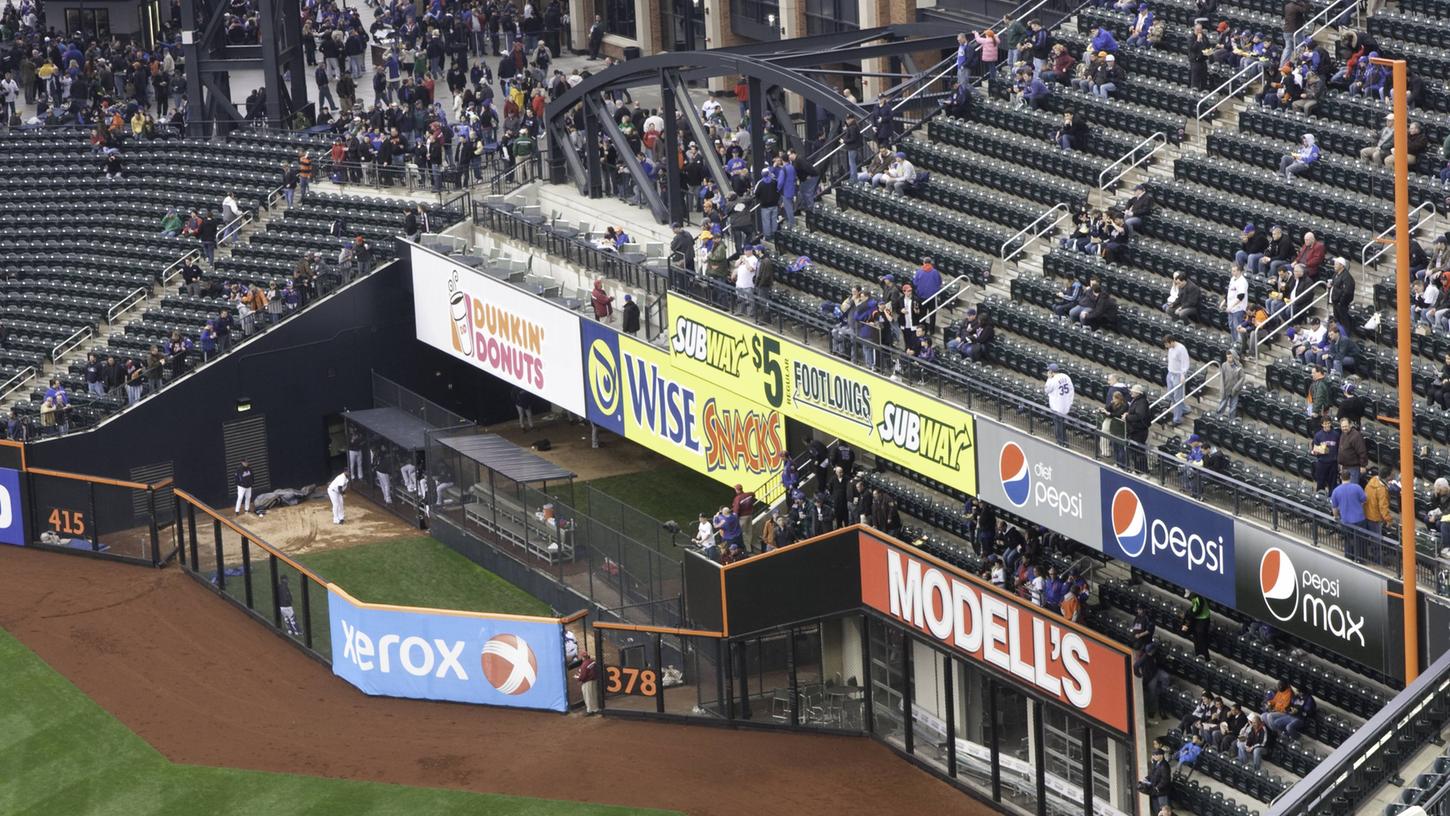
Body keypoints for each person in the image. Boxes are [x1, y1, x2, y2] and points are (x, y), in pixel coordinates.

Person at [1331, 469, 1369, 562]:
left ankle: (1349, 558)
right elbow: (1364, 500)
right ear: (1350, 477)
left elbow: (1334, 508)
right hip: (1359, 519)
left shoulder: (1336, 491)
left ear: (1340, 477)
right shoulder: (1357, 487)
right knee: (1361, 541)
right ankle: (1361, 560)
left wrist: (1336, 516)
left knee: (1348, 541)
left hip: (1346, 521)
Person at [1045, 363, 1075, 446]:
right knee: (1062, 425)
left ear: (1051, 372)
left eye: (1049, 371)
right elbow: (1072, 389)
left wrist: (1049, 378)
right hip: (1065, 405)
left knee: (1058, 426)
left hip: (1057, 407)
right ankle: (1065, 442)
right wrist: (1070, 402)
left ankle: (1061, 443)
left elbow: (1046, 390)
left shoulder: (1052, 380)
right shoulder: (1066, 376)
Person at [1164, 335, 1190, 425]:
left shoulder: (1181, 349)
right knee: (1170, 395)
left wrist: (1183, 374)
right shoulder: (1170, 349)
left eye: (1167, 344)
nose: (1166, 347)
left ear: (1171, 341)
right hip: (1170, 373)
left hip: (1178, 375)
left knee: (1177, 398)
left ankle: (1177, 419)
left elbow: (1185, 362)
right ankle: (1185, 409)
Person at [1127, 383, 1150, 471]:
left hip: (1139, 431)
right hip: (1135, 430)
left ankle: (1142, 470)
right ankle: (1137, 469)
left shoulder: (1142, 402)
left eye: (1133, 392)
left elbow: (1139, 416)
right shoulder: (1137, 401)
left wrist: (1127, 417)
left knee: (1139, 452)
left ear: (1138, 393)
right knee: (1135, 451)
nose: (1131, 393)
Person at [1181, 591, 1211, 660]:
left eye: (1189, 596)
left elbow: (1194, 613)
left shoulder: (1198, 598)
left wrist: (1186, 624)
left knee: (1201, 640)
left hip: (1203, 619)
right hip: (1198, 619)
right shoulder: (1194, 597)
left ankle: (1206, 658)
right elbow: (1193, 610)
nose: (1189, 597)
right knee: (1196, 639)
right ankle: (1198, 656)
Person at [1338, 417, 1368, 485]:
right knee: (1345, 488)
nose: (1344, 428)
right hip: (1344, 467)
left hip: (1353, 468)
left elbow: (1362, 451)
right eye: (1342, 427)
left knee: (1352, 487)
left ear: (1350, 425)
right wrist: (1341, 463)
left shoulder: (1356, 435)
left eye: (1346, 426)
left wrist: (1363, 466)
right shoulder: (1343, 434)